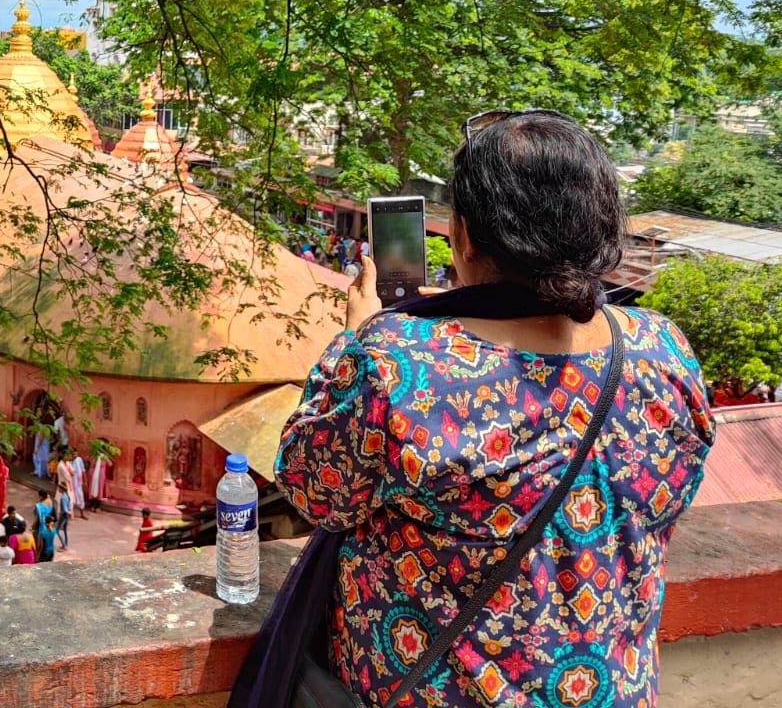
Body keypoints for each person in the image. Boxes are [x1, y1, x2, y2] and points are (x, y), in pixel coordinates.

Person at [269, 110, 715, 708]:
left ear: (463, 236)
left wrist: (355, 338)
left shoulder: (398, 366)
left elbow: (311, 490)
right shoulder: (662, 350)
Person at [55, 484, 72, 551]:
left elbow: (65, 509)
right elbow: (69, 506)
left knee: (57, 531)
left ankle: (64, 546)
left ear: (62, 489)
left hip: (63, 516)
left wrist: (69, 513)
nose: (58, 489)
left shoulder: (63, 498)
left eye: (59, 488)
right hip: (66, 516)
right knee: (65, 530)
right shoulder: (67, 496)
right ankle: (65, 545)